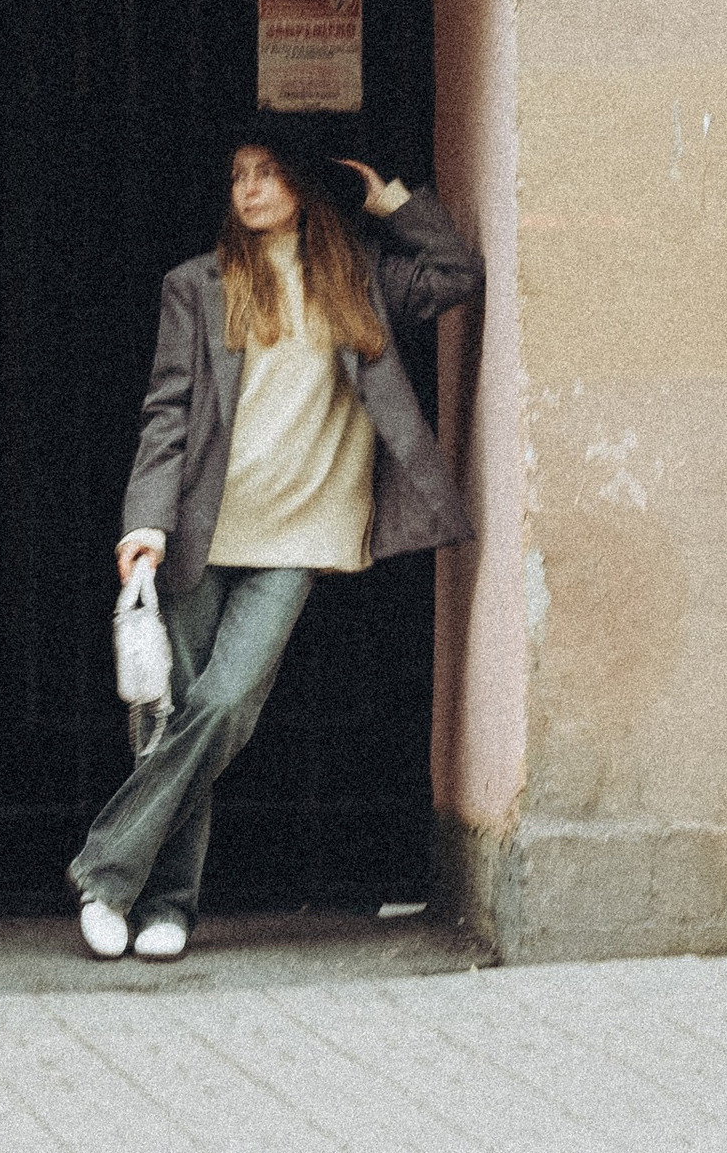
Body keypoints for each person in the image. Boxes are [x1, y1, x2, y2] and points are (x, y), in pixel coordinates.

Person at [67, 122, 480, 961]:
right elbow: (168, 412)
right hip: (202, 526)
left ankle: (108, 872)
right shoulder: (199, 284)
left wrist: (392, 202)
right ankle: (169, 909)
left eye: (266, 173)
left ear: (302, 183)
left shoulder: (360, 278)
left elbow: (456, 274)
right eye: (238, 177)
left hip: (303, 532)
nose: (249, 189)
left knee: (221, 708)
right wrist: (144, 519)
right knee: (174, 716)